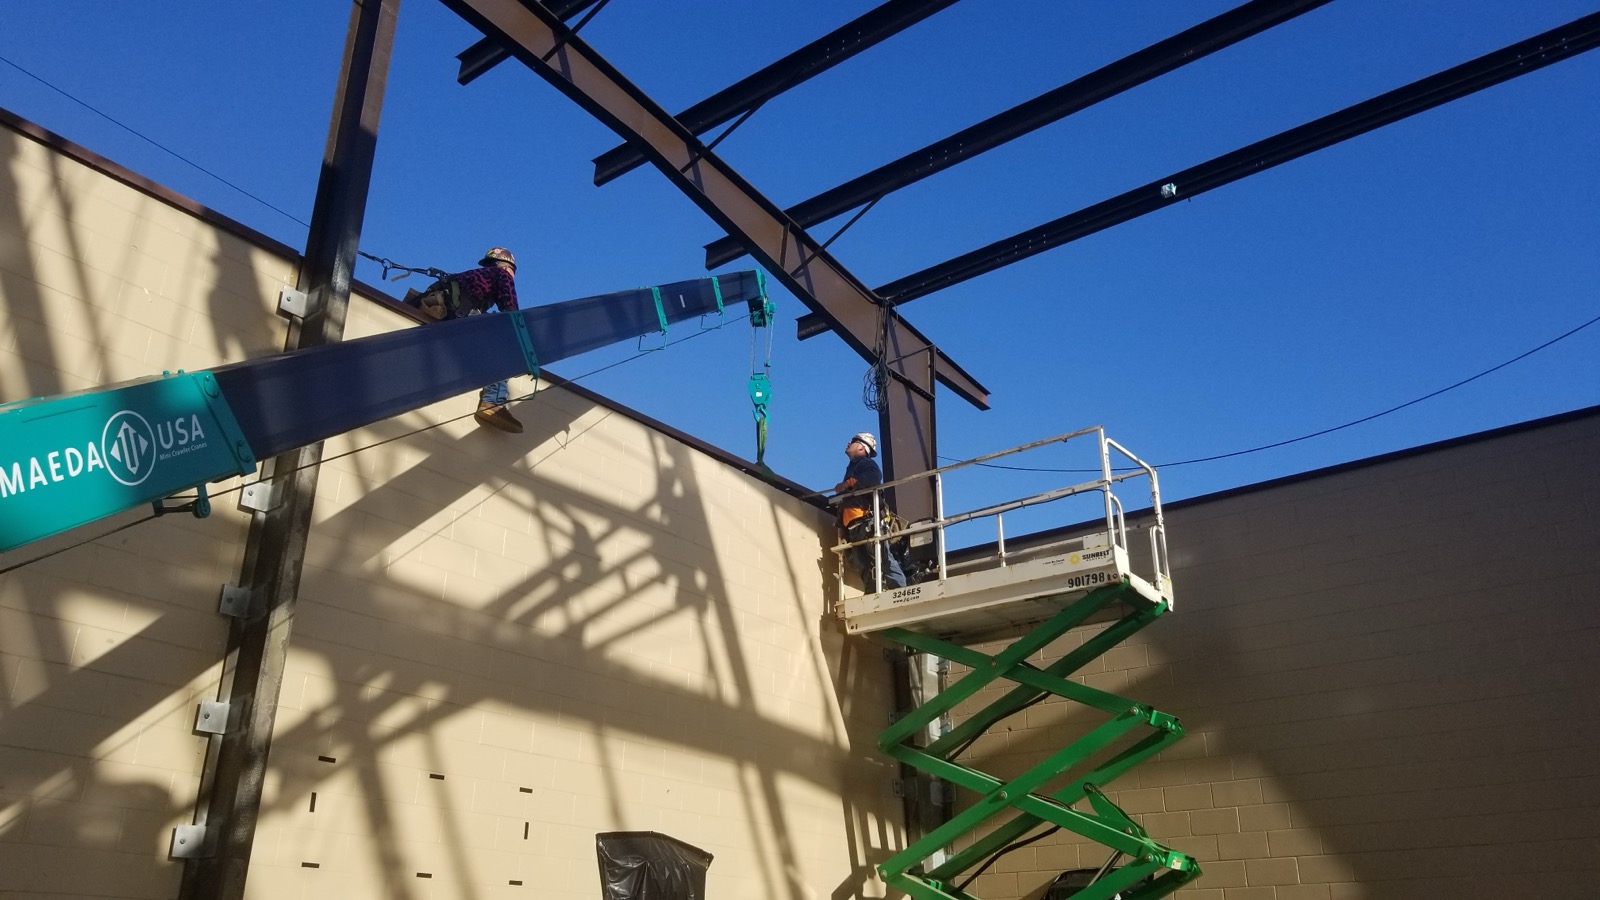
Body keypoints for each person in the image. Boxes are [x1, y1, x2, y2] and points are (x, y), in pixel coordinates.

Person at [406, 246, 525, 433]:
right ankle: (493, 403)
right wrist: (524, 343)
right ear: (507, 267)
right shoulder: (502, 275)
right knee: (502, 345)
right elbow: (510, 309)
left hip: (447, 314)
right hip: (462, 314)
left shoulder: (472, 275)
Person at [831, 431, 905, 590]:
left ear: (862, 448)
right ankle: (871, 590)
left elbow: (873, 478)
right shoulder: (853, 467)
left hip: (866, 522)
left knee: (883, 557)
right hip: (854, 526)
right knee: (862, 562)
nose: (848, 443)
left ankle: (900, 588)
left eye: (853, 441)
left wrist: (847, 484)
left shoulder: (866, 463)